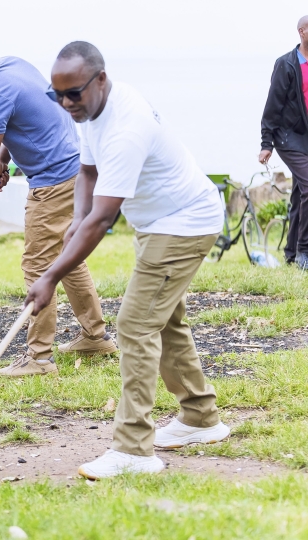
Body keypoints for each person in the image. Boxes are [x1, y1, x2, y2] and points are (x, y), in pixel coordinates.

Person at [26, 42, 229, 479]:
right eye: (56, 95)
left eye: (73, 94)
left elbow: (103, 220)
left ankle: (134, 450)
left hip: (184, 223)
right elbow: (88, 171)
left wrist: (52, 275)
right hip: (159, 222)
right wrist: (76, 219)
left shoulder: (126, 128)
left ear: (99, 80)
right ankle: (200, 417)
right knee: (163, 319)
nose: (65, 104)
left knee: (135, 325)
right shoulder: (91, 109)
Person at [0, 29, 114, 377]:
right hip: (75, 172)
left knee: (37, 265)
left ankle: (39, 358)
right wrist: (5, 157)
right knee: (68, 259)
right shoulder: (14, 66)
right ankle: (95, 336)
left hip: (51, 183)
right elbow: (24, 122)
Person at [259, 15, 308, 269]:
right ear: (302, 32)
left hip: (306, 138)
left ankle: (290, 253)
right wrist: (266, 143)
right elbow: (273, 105)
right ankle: (304, 252)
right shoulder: (286, 64)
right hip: (288, 138)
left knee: (301, 193)